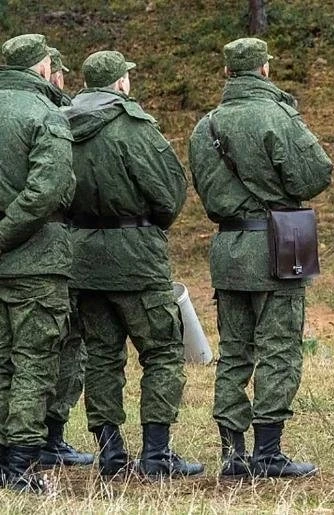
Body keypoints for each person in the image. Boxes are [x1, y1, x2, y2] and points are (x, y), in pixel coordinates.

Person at [188, 38, 332, 479]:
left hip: (228, 249)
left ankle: (232, 454)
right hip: (277, 248)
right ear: (265, 69)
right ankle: (268, 452)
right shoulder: (278, 116)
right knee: (278, 350)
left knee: (234, 352)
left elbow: (205, 190)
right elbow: (315, 175)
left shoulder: (205, 127)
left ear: (227, 72)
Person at [65, 50, 203, 479]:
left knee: (101, 356)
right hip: (137, 258)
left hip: (82, 256)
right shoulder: (133, 126)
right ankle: (157, 453)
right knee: (162, 351)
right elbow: (168, 193)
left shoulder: (60, 123)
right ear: (120, 82)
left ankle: (110, 453)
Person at [0, 34, 76, 493]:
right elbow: (46, 191)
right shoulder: (46, 114)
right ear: (43, 68)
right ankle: (20, 465)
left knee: (2, 363)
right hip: (36, 261)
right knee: (33, 363)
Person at [37, 45, 94, 470]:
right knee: (66, 343)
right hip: (58, 246)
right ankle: (49, 436)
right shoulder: (62, 116)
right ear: (51, 73)